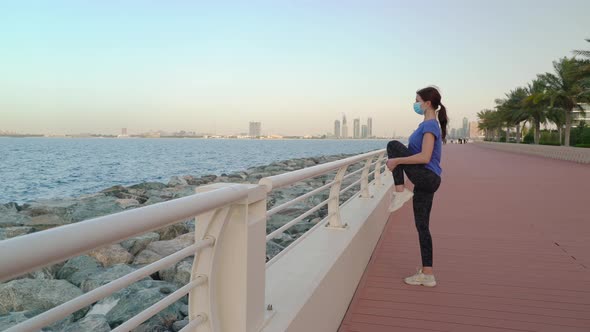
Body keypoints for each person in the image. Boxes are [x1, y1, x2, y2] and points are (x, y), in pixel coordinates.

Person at [385, 85, 448, 287]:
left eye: (417, 101)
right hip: (427, 180)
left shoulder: (430, 125)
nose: (415, 104)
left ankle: (400, 191)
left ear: (427, 103)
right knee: (422, 227)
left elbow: (424, 157)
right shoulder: (427, 124)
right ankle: (427, 274)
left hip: (427, 176)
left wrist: (397, 162)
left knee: (393, 146)